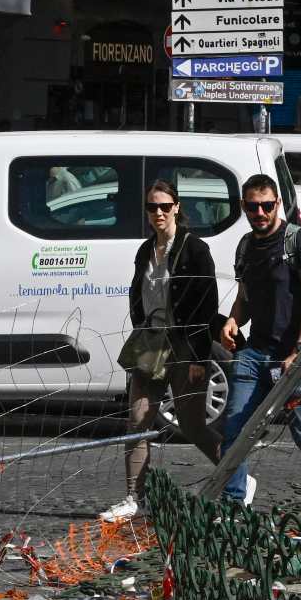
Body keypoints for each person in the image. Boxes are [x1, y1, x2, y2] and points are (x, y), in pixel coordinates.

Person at [219, 174, 301, 504]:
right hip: (254, 355)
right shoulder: (246, 245)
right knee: (234, 430)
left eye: (266, 205)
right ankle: (233, 505)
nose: (259, 212)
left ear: (277, 204)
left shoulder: (297, 240)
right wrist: (233, 319)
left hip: (294, 356)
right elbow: (245, 297)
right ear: (243, 207)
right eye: (252, 206)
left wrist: (300, 350)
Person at [103, 180, 223, 522]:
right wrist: (141, 325)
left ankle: (238, 478)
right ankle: (134, 498)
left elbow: (207, 305)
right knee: (138, 419)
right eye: (152, 207)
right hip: (151, 345)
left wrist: (200, 357)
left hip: (185, 346)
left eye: (165, 207)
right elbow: (136, 290)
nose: (158, 213)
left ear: (177, 207)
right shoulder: (145, 250)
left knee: (193, 425)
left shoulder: (195, 249)